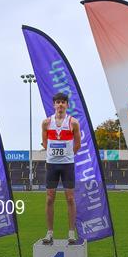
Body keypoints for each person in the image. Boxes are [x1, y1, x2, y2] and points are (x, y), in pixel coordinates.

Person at [41, 92, 81, 244]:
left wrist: (68, 155)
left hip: (67, 165)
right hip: (52, 164)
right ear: (54, 105)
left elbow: (78, 144)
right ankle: (50, 232)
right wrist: (53, 154)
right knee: (50, 198)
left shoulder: (73, 123)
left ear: (67, 105)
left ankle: (71, 233)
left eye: (63, 102)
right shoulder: (46, 123)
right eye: (57, 102)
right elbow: (45, 143)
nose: (60, 105)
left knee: (70, 198)